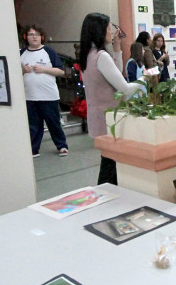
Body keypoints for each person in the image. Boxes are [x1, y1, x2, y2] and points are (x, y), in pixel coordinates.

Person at [79, 12, 143, 185]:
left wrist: (117, 47)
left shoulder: (88, 54)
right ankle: (106, 198)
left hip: (98, 117)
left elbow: (116, 72)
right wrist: (145, 79)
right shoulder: (101, 56)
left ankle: (107, 196)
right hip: (110, 119)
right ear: (100, 31)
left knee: (110, 162)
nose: (111, 32)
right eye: (109, 28)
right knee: (110, 166)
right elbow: (124, 88)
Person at [20, 25, 68, 157]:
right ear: (26, 37)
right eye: (30, 34)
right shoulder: (21, 53)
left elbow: (61, 71)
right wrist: (24, 70)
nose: (34, 37)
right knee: (33, 125)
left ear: (41, 37)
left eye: (36, 34)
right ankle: (34, 148)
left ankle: (62, 145)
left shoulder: (49, 52)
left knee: (53, 123)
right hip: (30, 97)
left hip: (49, 96)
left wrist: (44, 69)